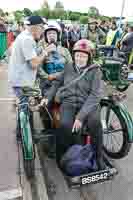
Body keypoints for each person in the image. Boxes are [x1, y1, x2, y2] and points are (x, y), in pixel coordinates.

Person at [43, 39, 105, 170]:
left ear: (89, 57)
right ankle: (62, 155)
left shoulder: (96, 71)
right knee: (64, 125)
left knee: (95, 123)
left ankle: (98, 155)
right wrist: (47, 97)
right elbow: (57, 83)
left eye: (83, 56)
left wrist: (80, 117)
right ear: (73, 55)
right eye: (77, 55)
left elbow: (95, 95)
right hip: (69, 102)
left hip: (87, 103)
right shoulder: (68, 66)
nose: (79, 58)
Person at [8, 16, 48, 139]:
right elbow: (34, 64)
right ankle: (27, 137)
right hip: (22, 81)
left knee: (23, 108)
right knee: (26, 109)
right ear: (35, 27)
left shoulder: (22, 36)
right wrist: (44, 53)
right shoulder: (27, 39)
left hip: (18, 79)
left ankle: (21, 134)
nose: (42, 31)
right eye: (42, 28)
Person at [39, 21, 72, 96]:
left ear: (58, 36)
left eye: (53, 33)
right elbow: (38, 68)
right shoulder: (41, 50)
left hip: (63, 82)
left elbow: (70, 67)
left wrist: (59, 75)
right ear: (46, 36)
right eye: (49, 33)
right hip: (47, 83)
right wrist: (47, 76)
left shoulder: (65, 51)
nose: (51, 35)